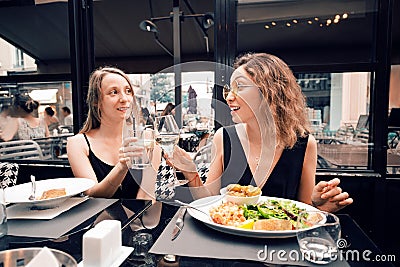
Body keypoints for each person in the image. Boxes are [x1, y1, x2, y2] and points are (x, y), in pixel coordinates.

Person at [171, 53, 353, 213]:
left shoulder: (304, 144)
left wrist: (320, 208)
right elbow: (208, 202)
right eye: (229, 89)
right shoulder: (224, 137)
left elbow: (302, 209)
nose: (228, 96)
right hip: (228, 244)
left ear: (270, 92)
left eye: (239, 87)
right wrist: (190, 172)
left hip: (276, 249)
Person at [67, 67, 157, 199]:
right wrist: (121, 167)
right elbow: (92, 195)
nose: (124, 98)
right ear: (96, 101)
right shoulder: (78, 144)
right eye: (113, 92)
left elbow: (147, 197)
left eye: (128, 91)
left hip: (141, 218)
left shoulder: (148, 138)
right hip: (98, 219)